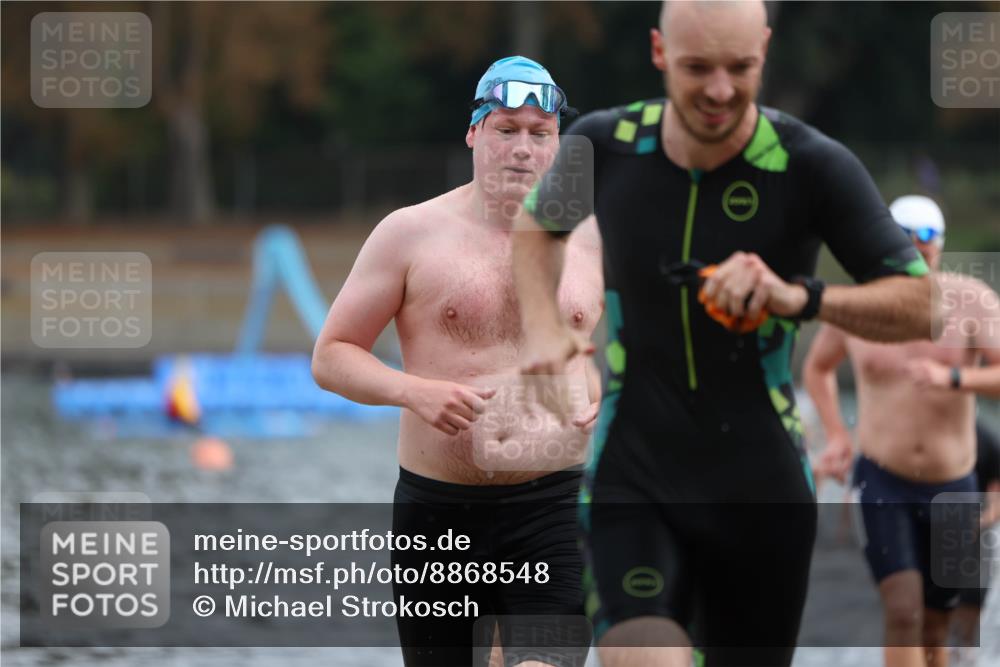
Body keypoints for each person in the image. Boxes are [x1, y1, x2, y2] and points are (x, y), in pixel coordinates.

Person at [509, 2, 936, 666]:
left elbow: (920, 301)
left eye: (740, 68)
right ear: (658, 52)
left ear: (766, 49)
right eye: (696, 67)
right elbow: (538, 227)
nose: (718, 90)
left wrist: (799, 296)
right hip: (635, 474)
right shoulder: (604, 145)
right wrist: (539, 328)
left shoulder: (811, 164)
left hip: (761, 489)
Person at [312, 56, 603, 667]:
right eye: (505, 129)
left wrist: (598, 376)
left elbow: (620, 345)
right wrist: (413, 392)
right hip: (438, 514)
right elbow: (332, 355)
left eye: (539, 134)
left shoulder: (591, 239)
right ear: (473, 132)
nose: (522, 149)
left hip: (554, 509)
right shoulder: (410, 234)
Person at [803, 194, 1000, 667]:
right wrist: (837, 434)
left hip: (954, 482)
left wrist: (954, 378)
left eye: (927, 236)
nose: (917, 245)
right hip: (882, 479)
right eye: (906, 234)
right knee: (903, 608)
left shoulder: (971, 299)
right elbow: (817, 369)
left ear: (941, 243)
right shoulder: (861, 305)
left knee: (941, 623)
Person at [951, 420, 1000, 663]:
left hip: (975, 532)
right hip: (937, 527)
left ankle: (965, 653)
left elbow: (997, 500)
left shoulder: (987, 441)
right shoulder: (934, 435)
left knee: (972, 600)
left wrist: (975, 525)